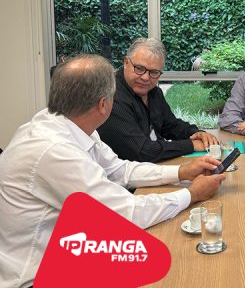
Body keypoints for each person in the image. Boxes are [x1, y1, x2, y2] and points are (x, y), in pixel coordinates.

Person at [0, 54, 226, 287]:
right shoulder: (54, 150)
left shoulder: (67, 123)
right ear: (103, 104)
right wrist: (191, 194)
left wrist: (181, 172)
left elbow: (120, 170)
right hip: (35, 277)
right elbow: (122, 215)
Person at [97, 38, 218, 162]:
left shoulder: (154, 92)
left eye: (154, 72)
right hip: (122, 178)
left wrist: (197, 133)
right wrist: (191, 145)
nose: (145, 77)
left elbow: (171, 125)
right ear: (126, 62)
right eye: (139, 68)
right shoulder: (111, 96)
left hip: (153, 169)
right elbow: (142, 151)